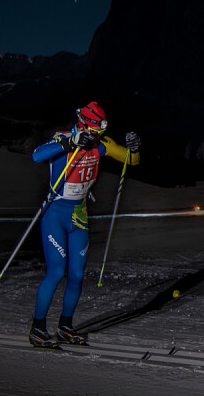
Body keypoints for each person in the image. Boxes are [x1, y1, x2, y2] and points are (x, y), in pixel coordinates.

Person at [29, 102, 140, 348]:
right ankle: (38, 328)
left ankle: (65, 326)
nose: (97, 137)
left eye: (99, 132)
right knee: (57, 272)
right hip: (55, 214)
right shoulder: (63, 139)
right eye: (93, 131)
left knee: (77, 275)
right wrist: (70, 144)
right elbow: (37, 155)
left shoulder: (100, 145)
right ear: (82, 125)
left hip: (79, 216)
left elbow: (130, 160)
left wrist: (134, 148)